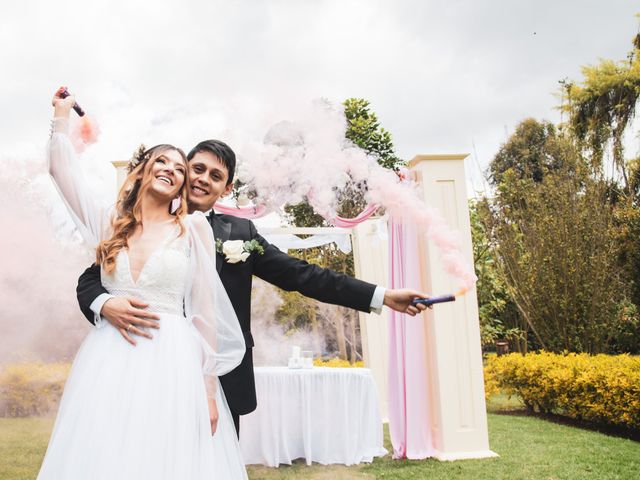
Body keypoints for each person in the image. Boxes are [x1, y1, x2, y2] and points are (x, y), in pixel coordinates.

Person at [76, 122, 430, 439]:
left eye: (215, 176)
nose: (203, 179)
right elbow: (92, 280)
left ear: (226, 189)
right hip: (140, 367)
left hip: (218, 381)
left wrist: (381, 296)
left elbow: (303, 275)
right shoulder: (134, 224)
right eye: (196, 169)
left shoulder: (239, 233)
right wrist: (105, 303)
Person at [38, 91, 248, 479]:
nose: (171, 168)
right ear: (144, 170)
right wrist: (61, 114)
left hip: (173, 362)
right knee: (106, 453)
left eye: (179, 167)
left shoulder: (193, 229)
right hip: (108, 360)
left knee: (167, 456)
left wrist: (207, 392)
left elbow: (204, 313)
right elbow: (59, 171)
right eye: (161, 160)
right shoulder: (109, 222)